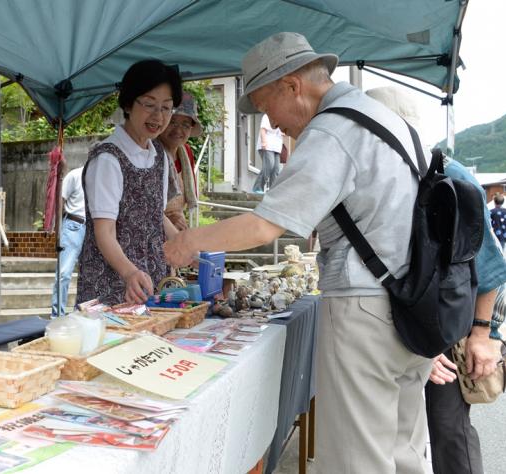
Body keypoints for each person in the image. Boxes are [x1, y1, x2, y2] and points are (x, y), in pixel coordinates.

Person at [165, 32, 431, 473]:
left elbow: (266, 222)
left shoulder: (333, 129)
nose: (270, 122)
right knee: (406, 450)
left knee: (357, 456)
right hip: (412, 302)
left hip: (366, 306)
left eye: (265, 105)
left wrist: (188, 242)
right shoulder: (384, 120)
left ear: (292, 85)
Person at [366, 86, 506, 474]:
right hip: (406, 323)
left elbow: (491, 266)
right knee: (401, 430)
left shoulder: (450, 177)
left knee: (448, 430)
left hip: (449, 323)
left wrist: (483, 335)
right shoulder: (381, 177)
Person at [76, 59, 181, 306]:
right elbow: (105, 233)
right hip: (112, 287)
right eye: (149, 105)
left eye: (167, 108)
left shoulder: (159, 155)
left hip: (151, 283)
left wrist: (185, 245)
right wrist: (129, 273)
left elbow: (156, 215)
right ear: (127, 103)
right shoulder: (108, 159)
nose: (158, 116)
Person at [157, 92, 202, 231]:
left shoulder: (186, 152)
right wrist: (169, 220)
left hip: (177, 228)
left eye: (185, 124)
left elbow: (187, 197)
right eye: (172, 122)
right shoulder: (150, 152)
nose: (178, 130)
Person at [51, 166, 86, 317]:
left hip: (95, 229)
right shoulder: (75, 175)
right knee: (64, 273)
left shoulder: (101, 177)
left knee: (89, 274)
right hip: (73, 225)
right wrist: (57, 229)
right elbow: (60, 201)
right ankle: (57, 316)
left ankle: (82, 314)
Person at [251, 114, 284, 193]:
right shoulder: (267, 116)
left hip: (276, 147)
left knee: (276, 169)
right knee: (269, 166)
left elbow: (283, 133)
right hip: (267, 145)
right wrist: (263, 142)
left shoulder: (282, 118)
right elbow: (263, 130)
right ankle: (257, 188)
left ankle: (272, 191)